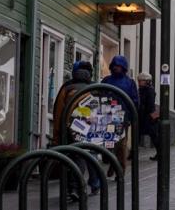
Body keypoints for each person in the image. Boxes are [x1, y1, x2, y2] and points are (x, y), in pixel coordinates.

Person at [52, 60, 101, 198]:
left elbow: (58, 112)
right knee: (91, 155)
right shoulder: (95, 88)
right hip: (90, 128)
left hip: (69, 129)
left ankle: (74, 188)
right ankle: (95, 184)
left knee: (74, 156)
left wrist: (57, 135)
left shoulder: (67, 88)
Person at [102, 55, 140, 172]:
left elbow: (135, 100)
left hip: (122, 117)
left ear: (123, 67)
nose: (116, 68)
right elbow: (99, 94)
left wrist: (131, 115)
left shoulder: (129, 82)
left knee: (121, 144)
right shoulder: (107, 80)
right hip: (107, 116)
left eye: (118, 66)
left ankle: (120, 169)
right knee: (109, 143)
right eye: (114, 66)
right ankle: (113, 163)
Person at [137, 72, 159, 161]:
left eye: (140, 80)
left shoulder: (149, 90)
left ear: (146, 81)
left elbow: (149, 105)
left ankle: (160, 153)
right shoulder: (143, 89)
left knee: (154, 135)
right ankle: (133, 153)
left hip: (148, 117)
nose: (139, 82)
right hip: (144, 116)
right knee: (138, 135)